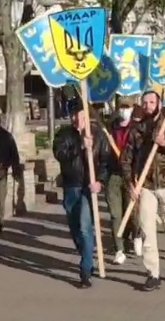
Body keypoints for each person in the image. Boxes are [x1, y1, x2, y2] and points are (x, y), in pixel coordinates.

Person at [120, 91, 165, 291]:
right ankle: (153, 273)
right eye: (145, 103)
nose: (149, 105)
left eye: (152, 102)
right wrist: (130, 184)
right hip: (147, 186)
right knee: (147, 231)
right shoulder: (137, 129)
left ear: (159, 103)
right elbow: (126, 160)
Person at [52, 103, 111, 288]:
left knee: (86, 227)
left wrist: (99, 181)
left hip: (88, 187)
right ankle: (85, 252)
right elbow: (59, 154)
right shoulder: (64, 134)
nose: (78, 120)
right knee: (75, 229)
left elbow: (105, 161)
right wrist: (79, 146)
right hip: (71, 186)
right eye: (75, 116)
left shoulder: (98, 135)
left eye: (82, 116)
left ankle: (85, 269)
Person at [106, 96, 141, 262]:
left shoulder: (137, 129)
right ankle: (119, 249)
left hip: (132, 175)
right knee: (115, 214)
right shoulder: (110, 129)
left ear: (132, 108)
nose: (124, 110)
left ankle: (137, 235)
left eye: (127, 107)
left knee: (133, 212)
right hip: (113, 174)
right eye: (121, 107)